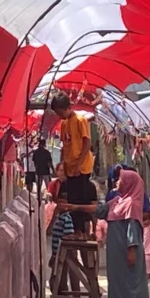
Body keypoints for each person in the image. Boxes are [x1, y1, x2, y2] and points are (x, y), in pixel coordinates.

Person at [57, 170, 150, 298]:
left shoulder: (131, 204)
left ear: (129, 183)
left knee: (127, 287)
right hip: (118, 253)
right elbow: (100, 209)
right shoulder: (118, 201)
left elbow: (132, 230)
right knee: (124, 285)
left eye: (120, 180)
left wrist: (131, 251)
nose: (116, 183)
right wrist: (76, 207)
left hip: (126, 253)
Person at [51, 93, 96, 234]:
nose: (60, 115)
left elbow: (87, 143)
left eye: (60, 112)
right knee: (71, 198)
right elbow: (65, 145)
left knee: (79, 200)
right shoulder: (64, 124)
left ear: (68, 108)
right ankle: (74, 229)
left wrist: (77, 164)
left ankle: (80, 230)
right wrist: (63, 162)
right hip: (70, 167)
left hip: (81, 167)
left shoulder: (80, 120)